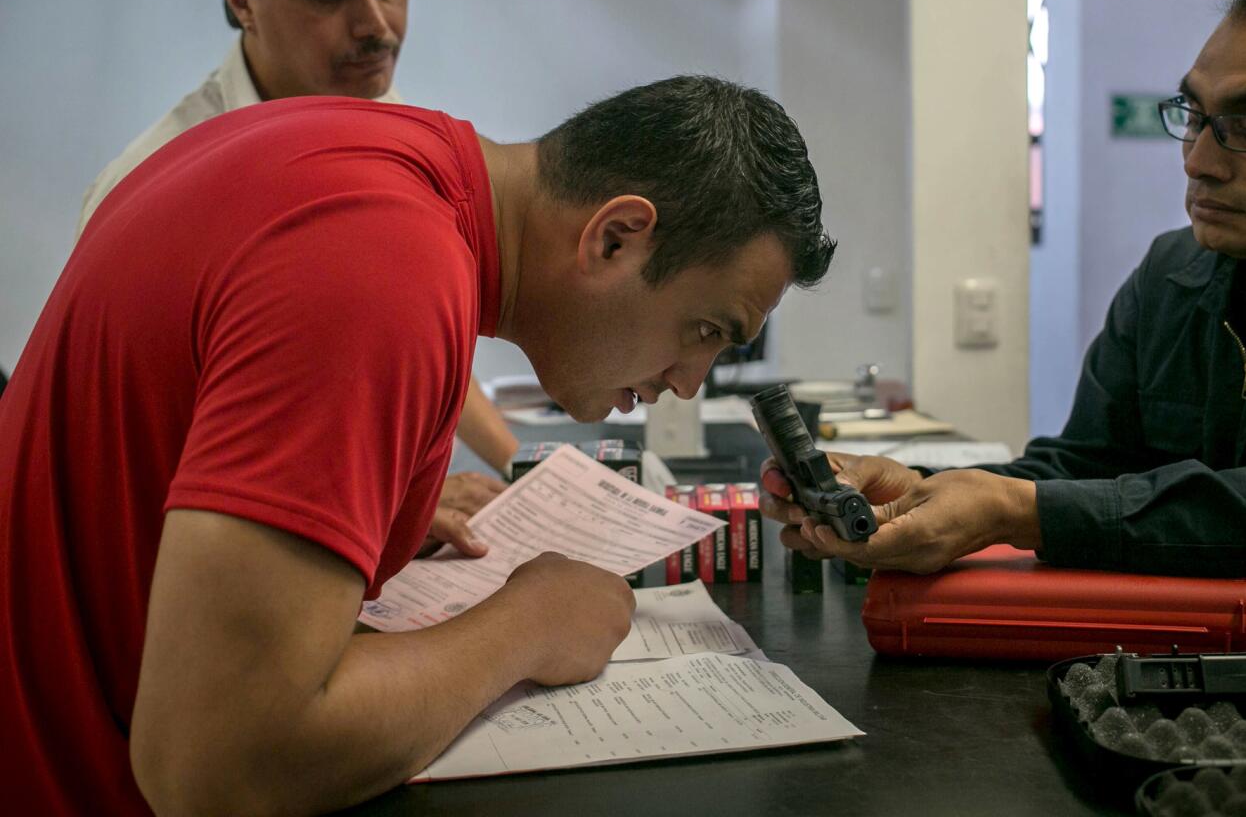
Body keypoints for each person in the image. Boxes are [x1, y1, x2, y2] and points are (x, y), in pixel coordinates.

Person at [0, 75, 837, 815]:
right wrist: (529, 624)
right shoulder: (387, 265)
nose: (689, 380)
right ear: (615, 237)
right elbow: (218, 768)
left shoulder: (375, 155)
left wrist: (362, 496)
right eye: (706, 330)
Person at [766, 0, 1246, 660]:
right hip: (1197, 679)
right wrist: (929, 497)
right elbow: (1091, 464)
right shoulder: (1172, 276)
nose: (1200, 162)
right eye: (1195, 117)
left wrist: (1015, 511)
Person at [75, 0, 519, 533]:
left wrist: (526, 470)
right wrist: (385, 509)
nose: (377, 25)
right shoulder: (147, 187)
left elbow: (415, 333)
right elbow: (130, 458)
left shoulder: (385, 117)